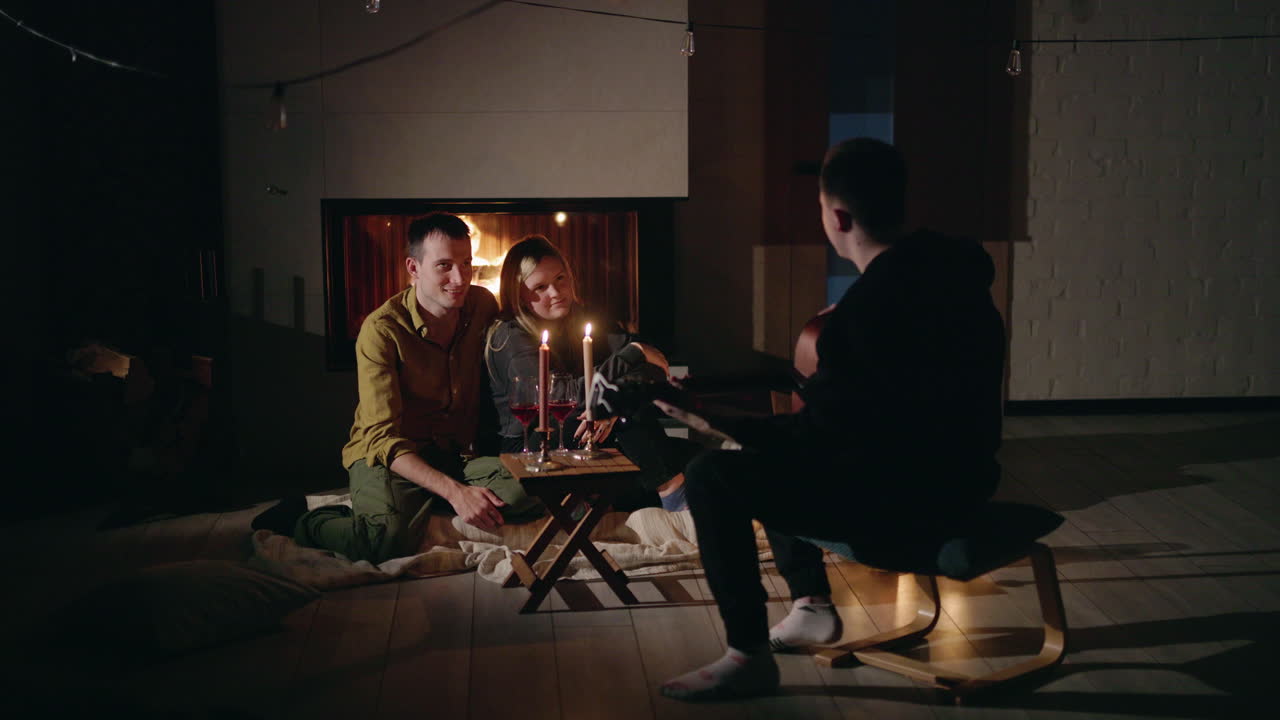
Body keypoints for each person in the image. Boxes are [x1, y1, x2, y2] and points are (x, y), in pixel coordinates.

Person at [656, 138, 1006, 701]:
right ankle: (811, 606)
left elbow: (817, 440)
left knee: (712, 475)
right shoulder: (958, 278)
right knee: (771, 453)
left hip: (906, 508)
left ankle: (749, 655)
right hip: (967, 482)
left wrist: (708, 420)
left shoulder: (865, 315)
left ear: (837, 216)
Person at [251, 213, 542, 563]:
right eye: (444, 266)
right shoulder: (382, 330)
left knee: (530, 489)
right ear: (414, 268)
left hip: (453, 454)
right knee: (384, 541)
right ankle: (308, 518)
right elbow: (381, 438)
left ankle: (413, 502)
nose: (460, 278)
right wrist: (456, 493)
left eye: (466, 264)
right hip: (392, 457)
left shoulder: (481, 304)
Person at [484, 234, 693, 512]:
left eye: (560, 279)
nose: (556, 292)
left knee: (690, 456)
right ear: (518, 293)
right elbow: (554, 395)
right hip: (531, 442)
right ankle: (676, 499)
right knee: (640, 428)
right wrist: (633, 356)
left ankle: (630, 499)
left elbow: (655, 367)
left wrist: (611, 408)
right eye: (540, 287)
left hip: (583, 428)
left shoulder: (581, 319)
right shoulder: (510, 336)